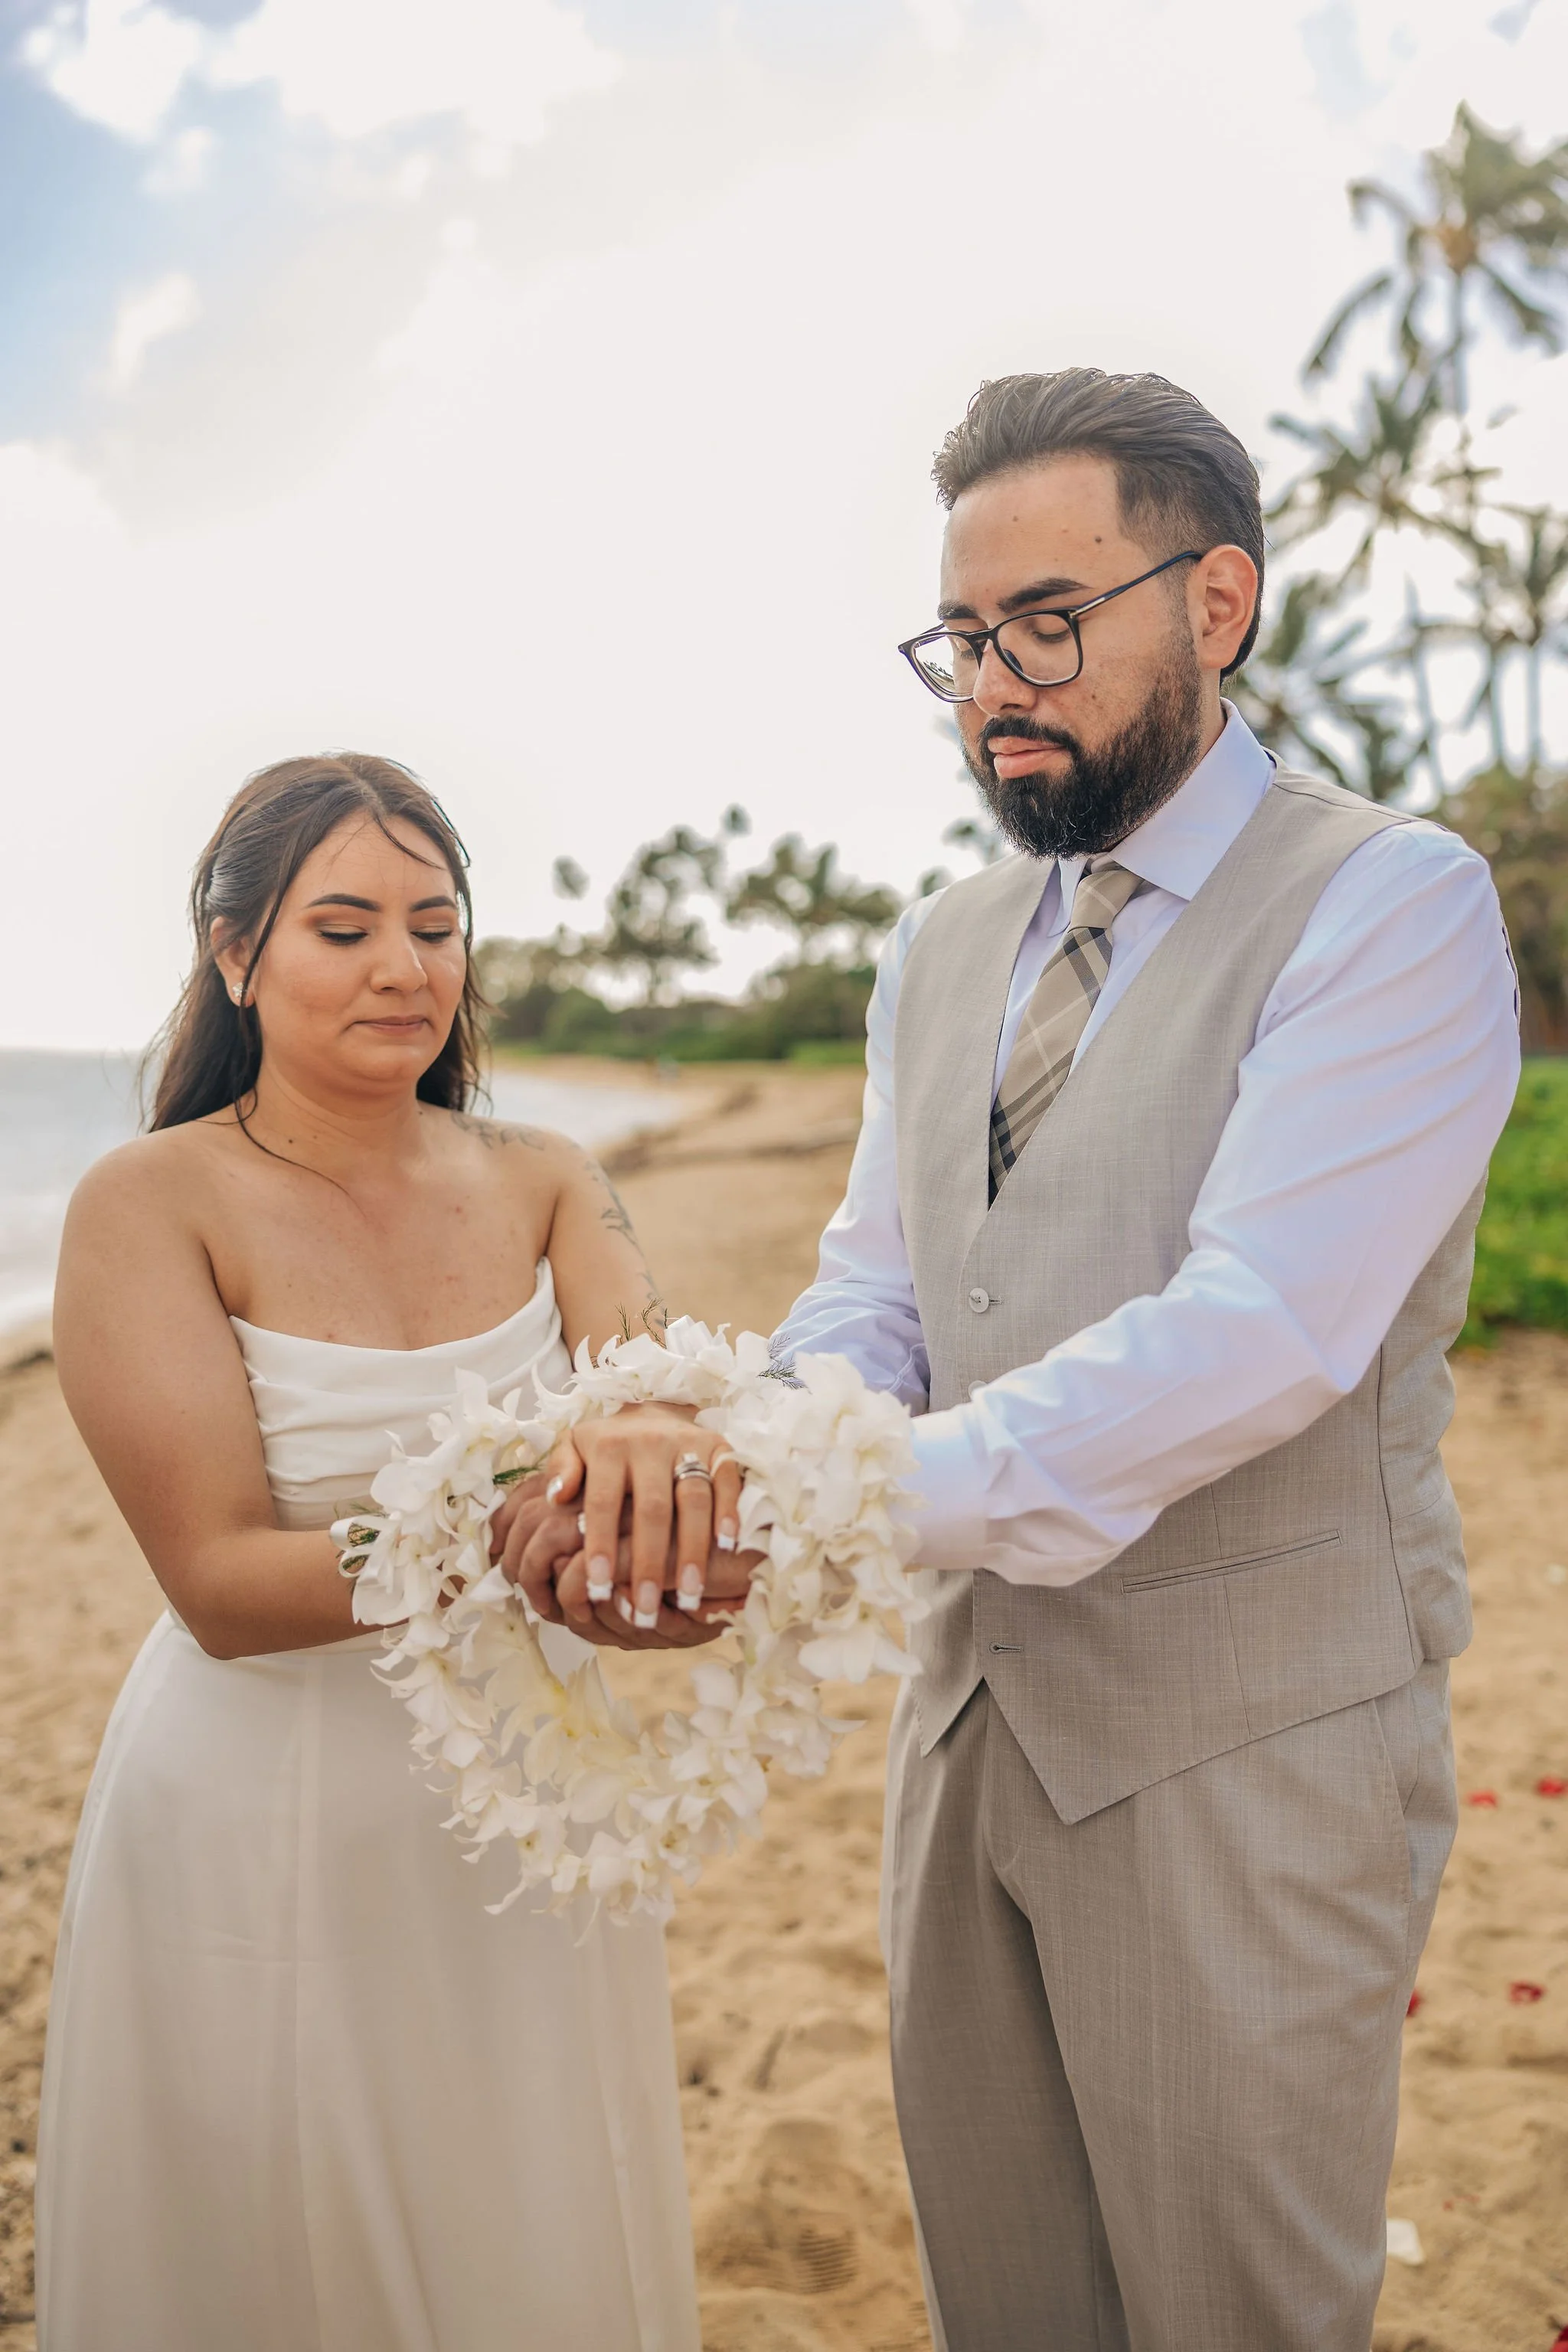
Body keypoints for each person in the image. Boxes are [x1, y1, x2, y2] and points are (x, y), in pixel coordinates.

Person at [765, 371, 1521, 2350]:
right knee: (1008, 2303)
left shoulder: (1392, 902)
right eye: (962, 637)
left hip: (1252, 1753)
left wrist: (837, 1500)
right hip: (968, 1735)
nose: (994, 681)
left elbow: (1263, 1329)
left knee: (1237, 2314)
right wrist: (764, 1436)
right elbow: (879, 1292)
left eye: (1050, 621)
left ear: (1217, 603)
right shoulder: (936, 950)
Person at [36, 752, 737, 2352]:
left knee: (531, 2221)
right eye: (342, 927)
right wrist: (522, 1533)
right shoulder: (149, 1200)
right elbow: (217, 1587)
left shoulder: (555, 1179)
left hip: (530, 1798)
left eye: (436, 924)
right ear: (234, 955)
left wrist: (665, 1538)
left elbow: (646, 1432)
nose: (403, 967)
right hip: (262, 1807)